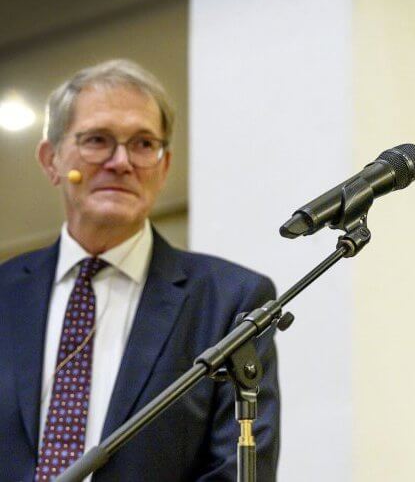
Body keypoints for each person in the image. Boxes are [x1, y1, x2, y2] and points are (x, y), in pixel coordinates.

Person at [0, 59, 280, 481]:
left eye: (144, 144)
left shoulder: (229, 301)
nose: (121, 161)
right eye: (97, 140)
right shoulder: (4, 293)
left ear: (165, 167)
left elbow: (236, 469)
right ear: (51, 159)